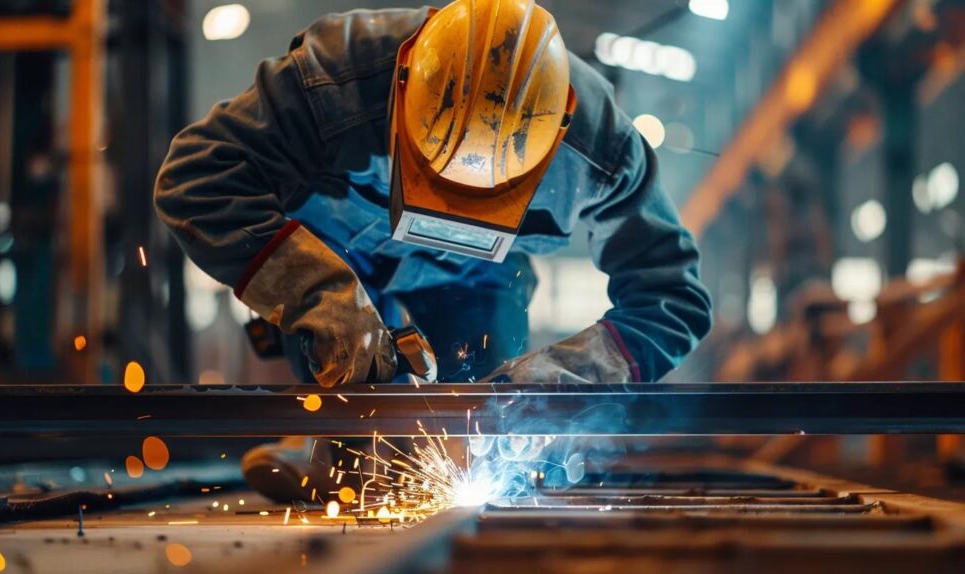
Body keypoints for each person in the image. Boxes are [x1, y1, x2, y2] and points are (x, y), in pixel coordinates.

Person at [154, 0, 712, 500]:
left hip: (475, 280)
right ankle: (331, 447)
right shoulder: (335, 79)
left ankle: (379, 455)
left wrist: (571, 376)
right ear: (400, 88)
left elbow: (673, 296)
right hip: (343, 260)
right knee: (355, 442)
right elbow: (194, 178)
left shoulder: (603, 149)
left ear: (555, 138)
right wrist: (321, 296)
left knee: (486, 434)